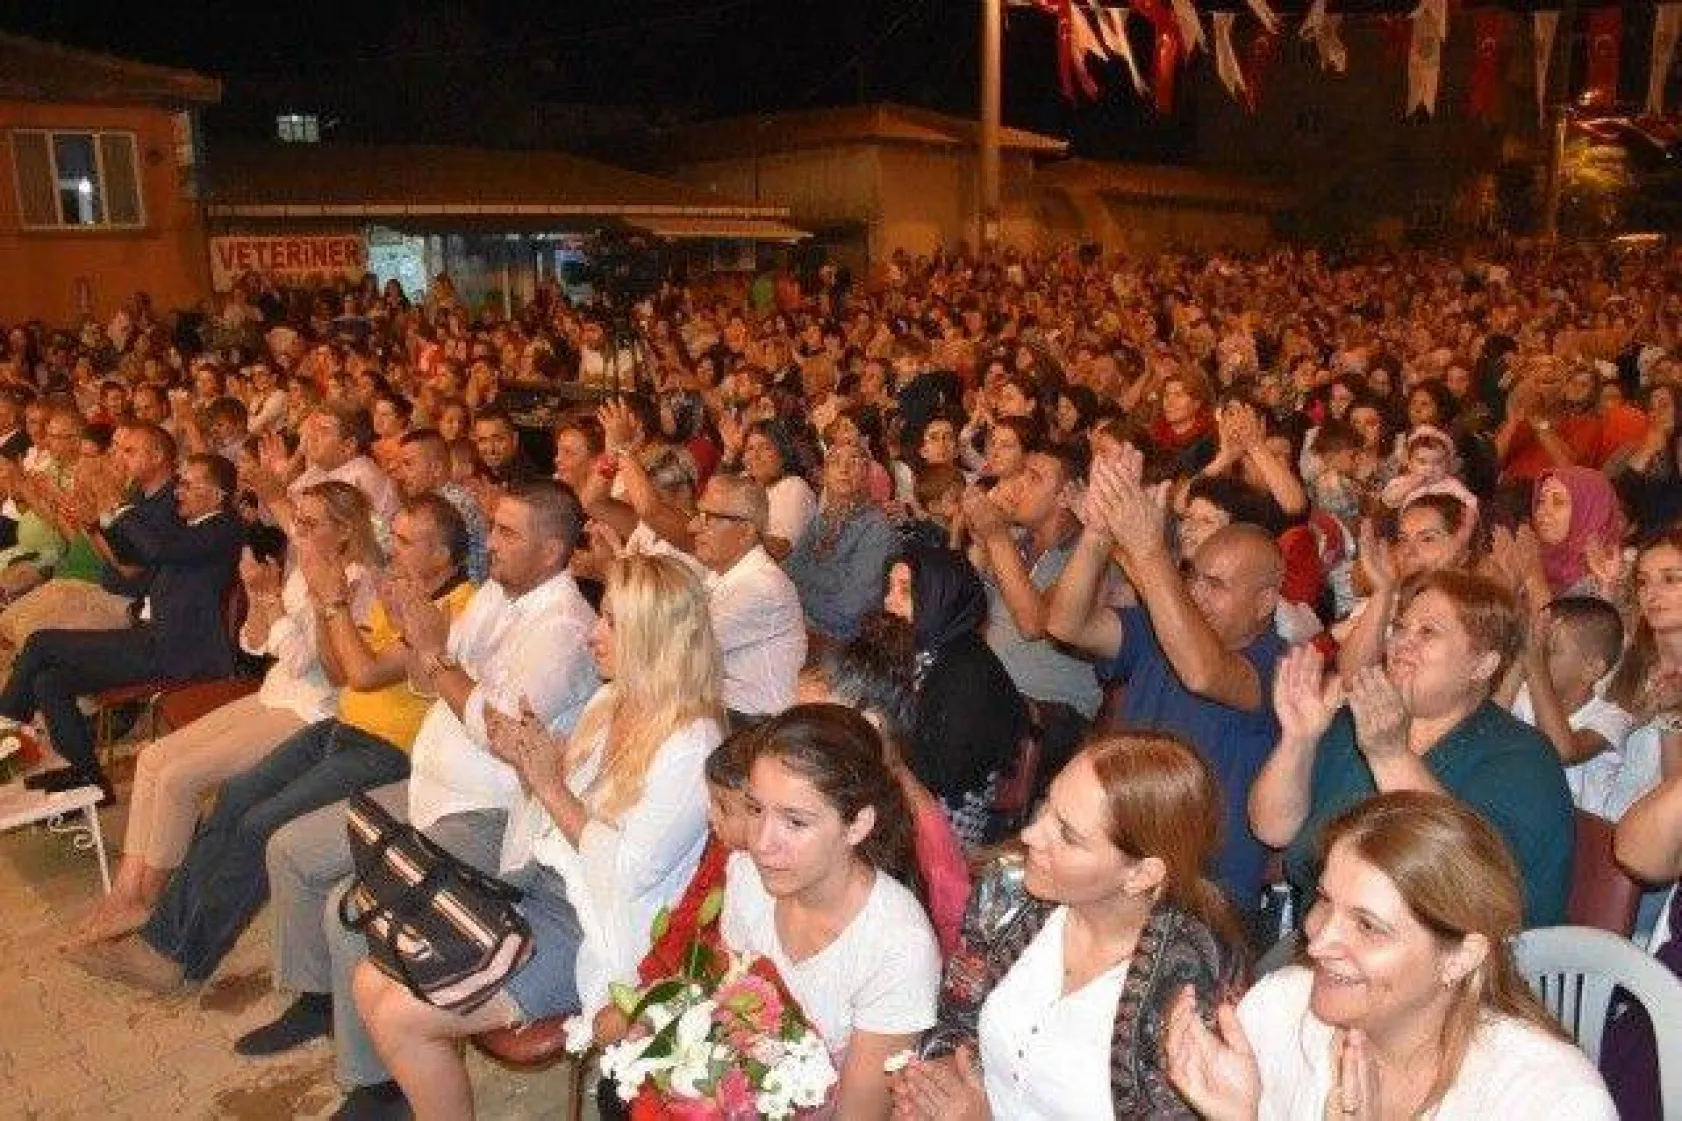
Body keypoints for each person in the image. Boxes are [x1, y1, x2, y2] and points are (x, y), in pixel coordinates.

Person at [237, 481, 602, 1119]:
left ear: (552, 551)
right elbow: (426, 680)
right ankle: (321, 1001)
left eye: (510, 533)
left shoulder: (565, 628)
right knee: (293, 848)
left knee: (352, 909)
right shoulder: (498, 594)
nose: (492, 544)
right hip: (429, 789)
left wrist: (433, 651)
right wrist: (417, 634)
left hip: (486, 813)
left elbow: (502, 737)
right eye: (494, 528)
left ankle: (380, 1085)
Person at [354, 553, 724, 1121]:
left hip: (595, 923)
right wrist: (531, 767)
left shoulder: (690, 743)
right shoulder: (610, 700)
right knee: (369, 977)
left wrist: (550, 786)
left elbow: (626, 874)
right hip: (539, 885)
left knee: (404, 1013)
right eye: (602, 616)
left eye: (613, 624)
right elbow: (550, 818)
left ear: (656, 638)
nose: (594, 635)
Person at [64, 495, 475, 993]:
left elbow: (365, 674)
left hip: (387, 752)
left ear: (444, 553)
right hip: (341, 728)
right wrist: (328, 608)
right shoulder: (406, 591)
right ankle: (159, 939)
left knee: (261, 824)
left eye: (407, 541)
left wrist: (333, 602)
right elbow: (340, 672)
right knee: (235, 796)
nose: (393, 548)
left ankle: (181, 959)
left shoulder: (453, 608)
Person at [64, 480, 382, 948]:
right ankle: (127, 891)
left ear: (346, 531)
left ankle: (147, 900)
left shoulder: (356, 580)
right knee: (154, 760)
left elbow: (318, 667)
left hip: (313, 712)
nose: (297, 530)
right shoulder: (302, 564)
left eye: (311, 524)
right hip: (276, 692)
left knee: (180, 778)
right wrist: (260, 601)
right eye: (298, 519)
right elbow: (254, 645)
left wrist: (272, 608)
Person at [1165, 791, 1617, 1119]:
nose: (1317, 941)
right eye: (1324, 900)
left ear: (1460, 957)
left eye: (1367, 926)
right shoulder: (1283, 1008)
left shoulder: (1549, 1099)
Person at [893, 731, 1246, 1120]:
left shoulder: (1192, 981)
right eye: (1046, 804)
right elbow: (955, 1021)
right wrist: (937, 1081)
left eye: (1068, 835)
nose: (1030, 835)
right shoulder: (1007, 892)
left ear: (1141, 874)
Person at [1251, 570, 1574, 927]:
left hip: (1456, 968)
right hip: (1330, 935)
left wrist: (1391, 756)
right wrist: (1299, 740)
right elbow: (1272, 829)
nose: (1402, 642)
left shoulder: (1523, 759)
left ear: (1482, 665)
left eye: (1428, 632)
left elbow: (1464, 885)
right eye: (1401, 628)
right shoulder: (1357, 719)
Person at [1048, 443, 1286, 919]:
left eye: (1215, 585)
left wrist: (1149, 552)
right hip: (1120, 857)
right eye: (1194, 577)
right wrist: (1097, 534)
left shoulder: (1277, 664)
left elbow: (1203, 673)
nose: (1196, 593)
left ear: (1264, 603)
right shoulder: (1161, 629)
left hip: (1202, 892)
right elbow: (1066, 624)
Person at [721, 704, 942, 1117]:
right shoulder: (747, 877)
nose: (763, 843)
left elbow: (857, 1114)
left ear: (856, 826)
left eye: (795, 822)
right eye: (755, 809)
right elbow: (734, 1017)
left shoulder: (897, 945)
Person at [3, 441, 244, 800]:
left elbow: (159, 550)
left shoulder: (223, 527)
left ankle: (6, 728)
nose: (179, 491)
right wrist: (97, 524)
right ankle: (88, 777)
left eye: (189, 485)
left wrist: (121, 504)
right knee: (48, 680)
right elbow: (133, 561)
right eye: (181, 483)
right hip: (151, 635)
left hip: (177, 650)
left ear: (218, 495)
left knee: (41, 642)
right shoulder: (193, 527)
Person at [883, 547, 1027, 846]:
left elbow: (942, 775)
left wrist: (881, 746)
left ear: (940, 598)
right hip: (901, 793)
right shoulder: (916, 650)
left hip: (944, 821)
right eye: (889, 587)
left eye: (905, 591)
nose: (888, 600)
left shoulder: (969, 673)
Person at [1505, 595, 1642, 820]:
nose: (1537, 655)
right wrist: (1521, 661)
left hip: (1581, 837)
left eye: (1549, 651)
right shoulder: (1523, 694)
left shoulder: (1612, 718)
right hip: (1523, 814)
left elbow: (1560, 752)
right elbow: (1484, 729)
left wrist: (1535, 665)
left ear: (1592, 669)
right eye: (1537, 648)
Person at [786, 442, 899, 643]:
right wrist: (835, 578)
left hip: (843, 642)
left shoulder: (878, 528)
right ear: (824, 475)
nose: (844, 468)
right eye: (835, 462)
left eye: (854, 461)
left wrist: (800, 593)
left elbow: (852, 609)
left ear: (867, 474)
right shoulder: (821, 521)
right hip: (799, 627)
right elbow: (790, 572)